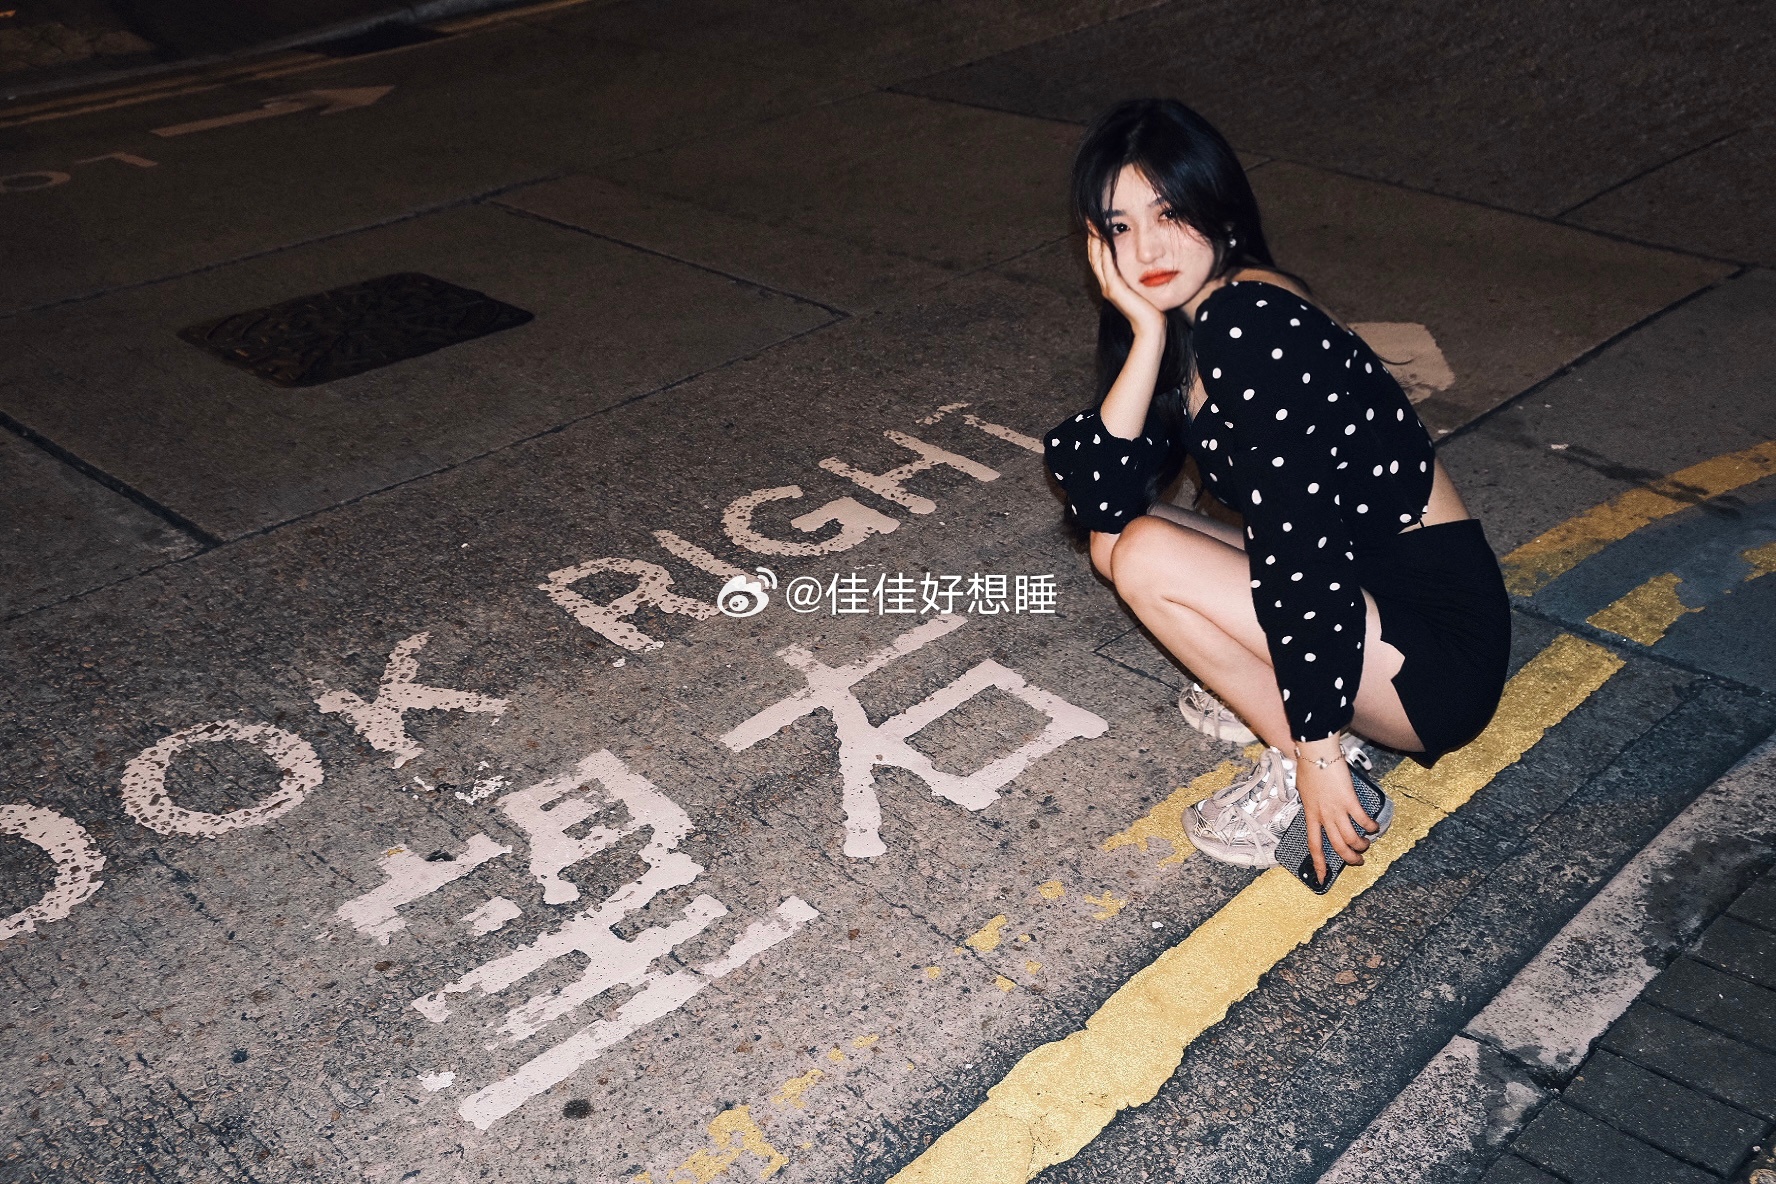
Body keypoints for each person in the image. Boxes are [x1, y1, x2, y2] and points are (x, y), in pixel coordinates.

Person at [1044, 99, 1510, 884]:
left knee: (1148, 555)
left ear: (1218, 207)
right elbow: (1099, 497)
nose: (1147, 248)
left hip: (1432, 657)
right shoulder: (1189, 318)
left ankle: (1302, 756)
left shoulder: (1248, 323)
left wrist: (1317, 751)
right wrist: (1145, 333)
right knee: (1118, 540)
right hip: (1367, 597)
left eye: (1169, 213)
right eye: (1120, 226)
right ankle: (1271, 688)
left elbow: (1301, 547)